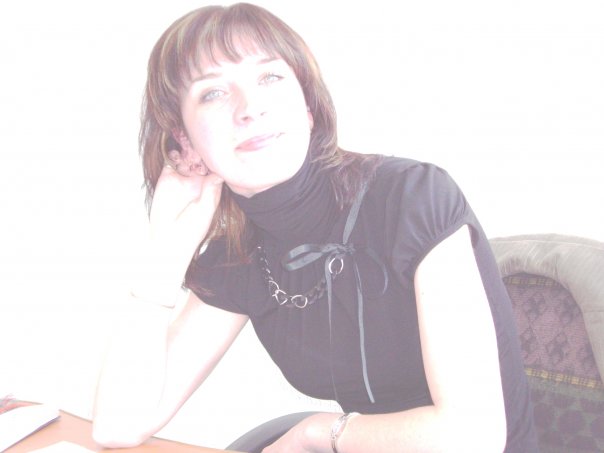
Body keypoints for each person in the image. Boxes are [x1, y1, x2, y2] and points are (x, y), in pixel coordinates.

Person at [92, 3, 538, 452]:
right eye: (213, 93)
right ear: (184, 140)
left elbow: (473, 436)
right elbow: (117, 426)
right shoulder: (240, 254)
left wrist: (315, 433)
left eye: (270, 77)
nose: (250, 108)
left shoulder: (413, 196)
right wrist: (166, 251)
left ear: (307, 107)